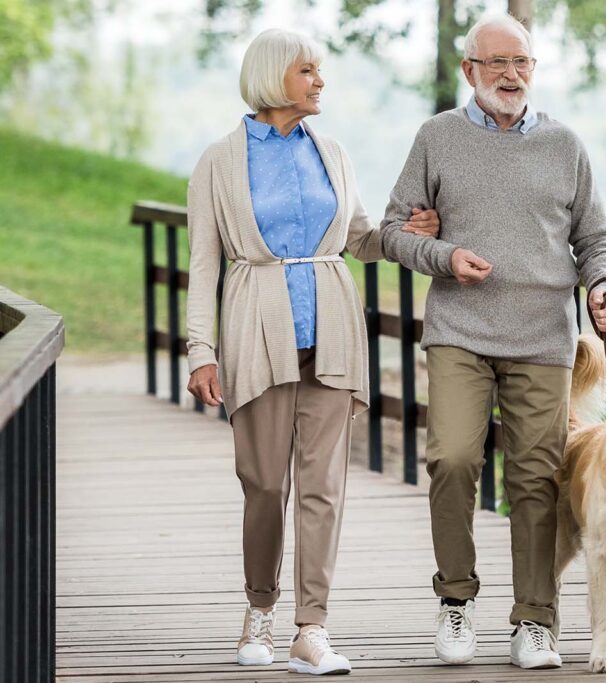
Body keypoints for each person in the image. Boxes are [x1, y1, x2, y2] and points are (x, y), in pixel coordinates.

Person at [185, 28, 439, 675]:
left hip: (332, 327)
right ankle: (260, 610)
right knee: (264, 483)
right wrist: (200, 349)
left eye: (319, 72)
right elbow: (204, 264)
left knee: (323, 486)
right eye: (309, 71)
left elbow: (357, 237)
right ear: (275, 77)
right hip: (256, 330)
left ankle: (311, 628)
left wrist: (402, 233)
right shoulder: (219, 160)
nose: (320, 81)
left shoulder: (333, 151)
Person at [379, 13, 606, 671]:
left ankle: (535, 621)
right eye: (498, 63)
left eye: (523, 62)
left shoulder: (565, 146)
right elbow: (394, 230)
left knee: (536, 477)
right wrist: (446, 254)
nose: (512, 75)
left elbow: (596, 238)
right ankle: (455, 600)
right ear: (470, 71)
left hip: (544, 337)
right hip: (460, 330)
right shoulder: (437, 137)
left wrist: (604, 284)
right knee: (454, 458)